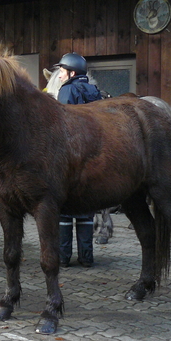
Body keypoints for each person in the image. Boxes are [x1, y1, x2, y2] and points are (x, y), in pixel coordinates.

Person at [55, 52, 102, 268]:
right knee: (85, 212)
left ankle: (63, 258)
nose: (60, 76)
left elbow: (63, 125)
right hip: (92, 158)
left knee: (65, 212)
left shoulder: (67, 90)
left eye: (62, 72)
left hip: (71, 158)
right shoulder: (94, 91)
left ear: (72, 73)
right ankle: (86, 258)